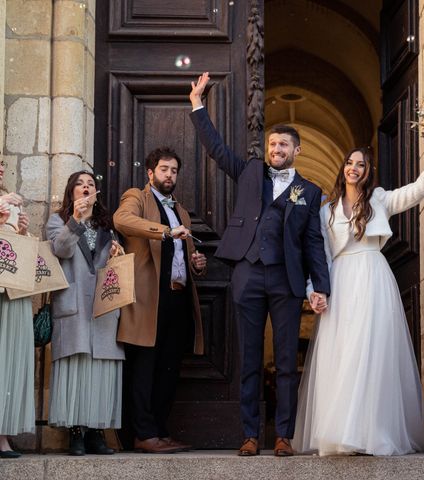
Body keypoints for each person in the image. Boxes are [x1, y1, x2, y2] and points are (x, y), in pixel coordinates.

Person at [189, 72, 330, 457]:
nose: (276, 148)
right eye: (272, 143)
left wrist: (321, 287)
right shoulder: (251, 172)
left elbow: (314, 242)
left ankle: (283, 435)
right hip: (248, 273)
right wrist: (198, 106)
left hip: (286, 279)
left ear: (296, 150)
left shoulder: (310, 192)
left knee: (286, 363)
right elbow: (217, 150)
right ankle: (250, 434)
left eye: (283, 144)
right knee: (250, 359)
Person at [293, 140, 424, 456]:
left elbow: (416, 190)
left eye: (361, 165)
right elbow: (318, 255)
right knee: (344, 353)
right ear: (343, 168)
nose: (354, 168)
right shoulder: (326, 211)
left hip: (373, 277)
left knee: (372, 351)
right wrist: (315, 290)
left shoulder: (379, 200)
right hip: (340, 280)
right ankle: (341, 433)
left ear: (368, 172)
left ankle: (371, 433)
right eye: (350, 163)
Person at [113, 146, 207, 454]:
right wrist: (164, 231)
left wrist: (195, 263)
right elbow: (122, 220)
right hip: (148, 298)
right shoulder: (137, 197)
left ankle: (161, 432)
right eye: (164, 169)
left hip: (177, 298)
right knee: (145, 367)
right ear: (150, 173)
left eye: (174, 170)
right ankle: (142, 434)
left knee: (169, 368)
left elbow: (182, 251)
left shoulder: (181, 211)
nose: (170, 175)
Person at [46, 171, 125, 456]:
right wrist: (76, 221)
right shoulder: (58, 221)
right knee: (76, 367)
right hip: (74, 303)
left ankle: (96, 432)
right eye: (80, 184)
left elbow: (113, 262)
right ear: (71, 193)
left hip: (102, 308)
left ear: (97, 192)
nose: (86, 187)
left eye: (90, 183)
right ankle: (75, 433)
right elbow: (61, 249)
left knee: (100, 369)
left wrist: (118, 252)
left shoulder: (107, 225)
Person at [0, 161, 34, 459]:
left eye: (1, 165)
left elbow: (14, 251)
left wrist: (21, 232)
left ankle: (2, 436)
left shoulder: (10, 201)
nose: (0, 169)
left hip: (9, 287)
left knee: (7, 360)